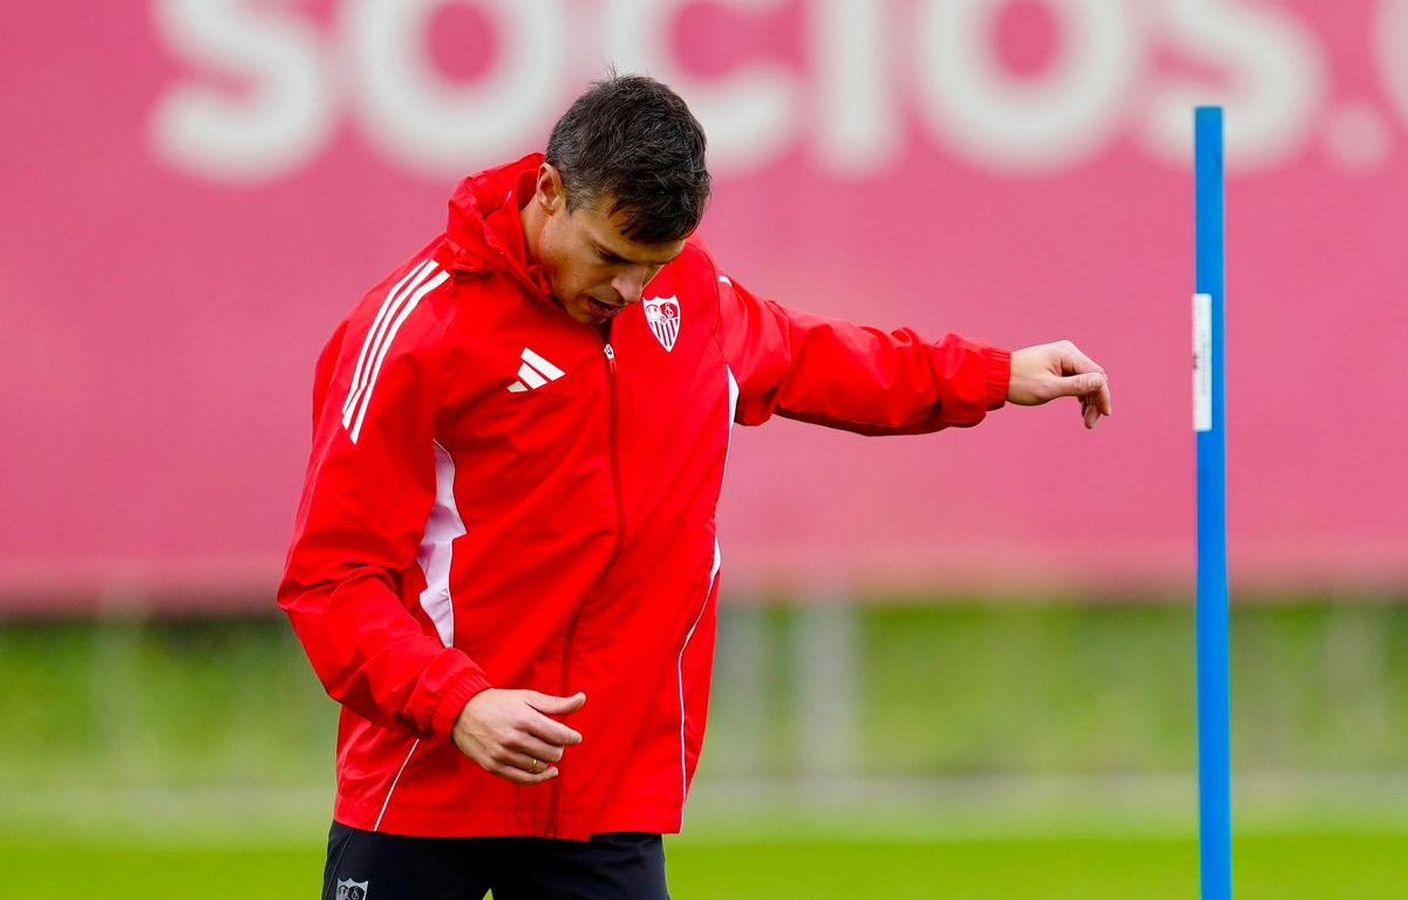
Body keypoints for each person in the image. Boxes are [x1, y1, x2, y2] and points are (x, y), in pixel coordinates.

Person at [280, 74, 1111, 900]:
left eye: (655, 265)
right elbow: (332, 580)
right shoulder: (415, 333)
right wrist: (458, 704)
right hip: (429, 784)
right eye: (610, 257)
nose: (630, 292)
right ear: (548, 191)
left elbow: (814, 358)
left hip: (603, 792)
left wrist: (995, 375)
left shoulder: (682, 294)